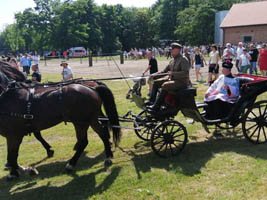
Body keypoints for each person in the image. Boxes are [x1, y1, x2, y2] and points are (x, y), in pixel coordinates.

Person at [147, 43, 191, 112]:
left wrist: (173, 73)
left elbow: (185, 73)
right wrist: (154, 75)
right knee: (156, 82)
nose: (170, 51)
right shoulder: (172, 60)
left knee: (165, 85)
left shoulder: (183, 59)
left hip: (182, 82)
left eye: (172, 50)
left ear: (177, 50)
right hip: (173, 80)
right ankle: (151, 101)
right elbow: (164, 71)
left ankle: (156, 106)